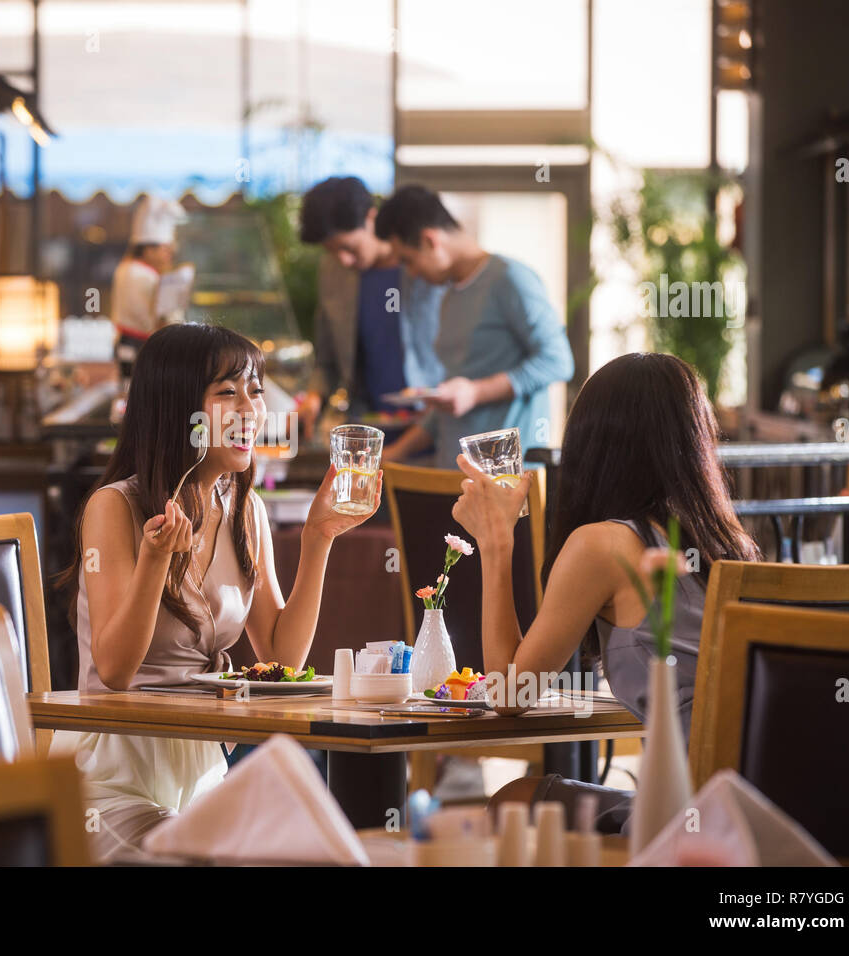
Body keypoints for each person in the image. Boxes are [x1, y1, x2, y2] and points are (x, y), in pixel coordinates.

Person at [57, 323, 382, 859]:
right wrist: (155, 562)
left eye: (255, 392)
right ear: (177, 406)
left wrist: (319, 536)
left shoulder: (245, 511)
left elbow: (281, 655)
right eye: (227, 393)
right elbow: (114, 670)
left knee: (316, 847)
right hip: (112, 782)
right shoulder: (114, 507)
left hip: (204, 778)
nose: (250, 410)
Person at [446, 352, 760, 832]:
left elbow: (510, 693)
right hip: (765, 803)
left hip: (692, 815)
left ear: (590, 446)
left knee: (514, 802)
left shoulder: (603, 544)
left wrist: (496, 540)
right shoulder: (728, 541)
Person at [373, 185, 574, 467]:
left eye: (408, 260)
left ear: (430, 240)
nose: (412, 273)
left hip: (505, 483)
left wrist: (475, 392)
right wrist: (395, 454)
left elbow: (558, 361)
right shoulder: (449, 295)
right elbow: (450, 404)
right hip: (454, 476)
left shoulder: (510, 279)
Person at [297, 176, 446, 425]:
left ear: (371, 217)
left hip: (433, 424)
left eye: (348, 247)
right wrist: (314, 397)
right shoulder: (332, 272)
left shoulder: (423, 266)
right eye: (331, 250)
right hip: (370, 424)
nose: (343, 260)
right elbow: (327, 357)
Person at [109, 197, 187, 384]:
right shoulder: (139, 274)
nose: (169, 255)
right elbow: (161, 320)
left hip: (133, 348)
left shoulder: (130, 269)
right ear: (148, 250)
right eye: (164, 249)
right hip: (137, 350)